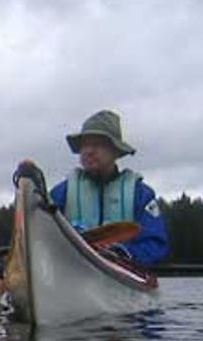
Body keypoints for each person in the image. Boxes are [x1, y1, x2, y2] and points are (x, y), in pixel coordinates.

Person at [49, 110, 168, 266]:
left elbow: (156, 245)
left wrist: (124, 253)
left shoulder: (140, 194)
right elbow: (40, 234)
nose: (89, 151)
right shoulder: (61, 193)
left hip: (122, 278)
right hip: (72, 272)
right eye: (84, 145)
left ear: (115, 151)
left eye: (97, 144)